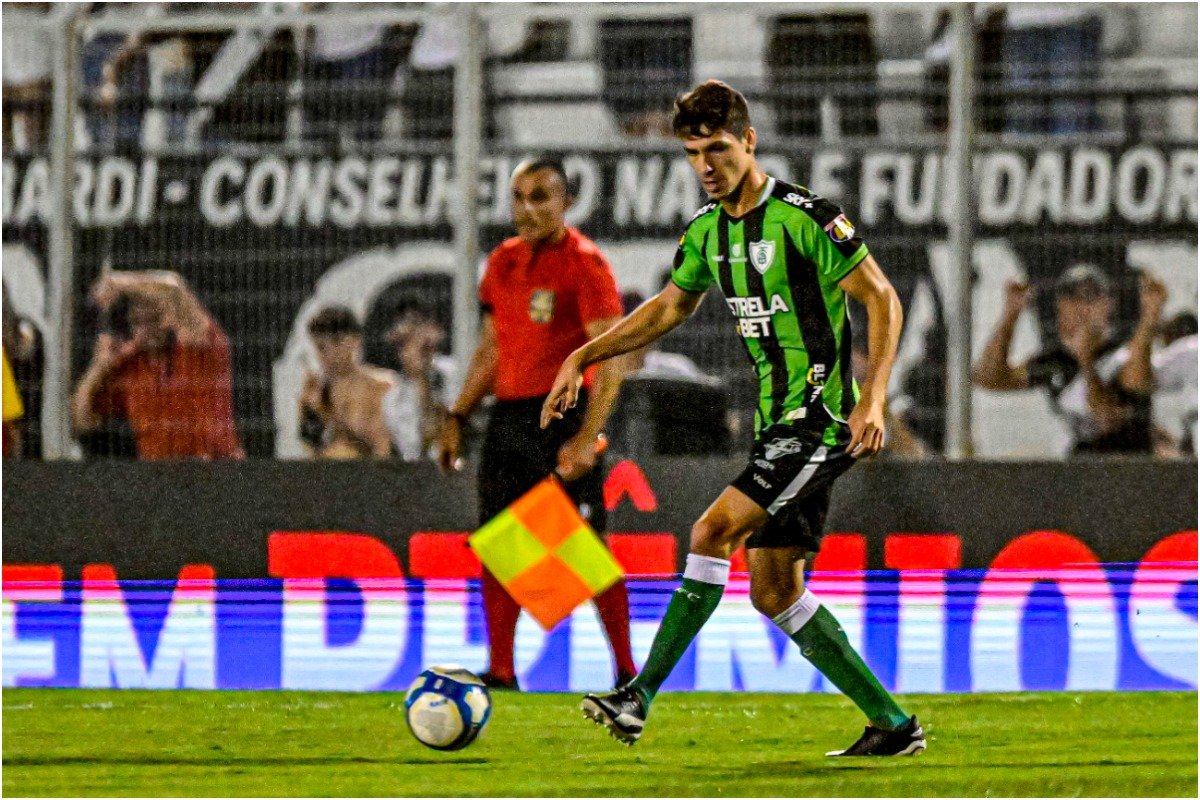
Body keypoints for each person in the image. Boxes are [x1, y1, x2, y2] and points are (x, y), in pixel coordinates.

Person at [541, 80, 923, 756]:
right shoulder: (707, 233)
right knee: (775, 591)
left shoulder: (807, 216)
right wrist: (584, 354)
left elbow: (882, 298)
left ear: (749, 142)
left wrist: (873, 396)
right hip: (777, 426)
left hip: (821, 418)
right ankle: (893, 725)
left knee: (711, 530)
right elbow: (665, 310)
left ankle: (638, 697)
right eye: (693, 153)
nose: (706, 165)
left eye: (717, 148)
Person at [438, 157, 637, 691]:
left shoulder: (586, 264)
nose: (527, 208)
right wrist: (458, 414)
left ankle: (628, 671)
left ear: (565, 203)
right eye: (519, 197)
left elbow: (610, 361)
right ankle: (501, 670)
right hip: (509, 417)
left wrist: (585, 437)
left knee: (584, 548)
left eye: (541, 196)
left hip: (564, 416)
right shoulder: (501, 262)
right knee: (500, 542)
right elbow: (491, 350)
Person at [973, 265, 1164, 455]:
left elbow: (1105, 417)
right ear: (1060, 307)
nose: (1082, 308)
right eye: (1073, 298)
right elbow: (991, 379)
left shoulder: (1124, 353)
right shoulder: (1057, 360)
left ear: (1108, 305)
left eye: (1091, 297)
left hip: (1128, 470)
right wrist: (1011, 314)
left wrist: (1085, 360)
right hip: (1079, 470)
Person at [72, 270, 244, 460]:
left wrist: (120, 282)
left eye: (155, 319)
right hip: (159, 477)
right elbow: (82, 420)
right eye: (139, 322)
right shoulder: (130, 365)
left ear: (170, 318)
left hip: (217, 471)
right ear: (131, 326)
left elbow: (174, 290)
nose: (148, 329)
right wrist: (98, 369)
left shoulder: (200, 346)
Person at [299, 306, 395, 460]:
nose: (330, 354)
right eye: (321, 347)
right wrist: (311, 412)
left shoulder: (380, 386)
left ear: (356, 341)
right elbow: (312, 447)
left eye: (337, 343)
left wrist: (333, 417)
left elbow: (382, 448)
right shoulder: (314, 390)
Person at [381, 310, 452, 461]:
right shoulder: (394, 400)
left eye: (410, 343)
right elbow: (411, 450)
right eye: (401, 346)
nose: (405, 354)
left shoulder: (452, 373)